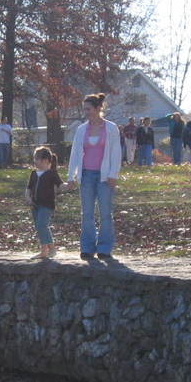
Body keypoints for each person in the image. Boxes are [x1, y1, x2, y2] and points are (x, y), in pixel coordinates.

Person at [66, 93, 122, 260]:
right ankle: (87, 247)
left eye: (89, 109)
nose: (86, 112)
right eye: (84, 109)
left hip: (105, 177)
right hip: (87, 176)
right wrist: (71, 176)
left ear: (98, 108)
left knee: (105, 213)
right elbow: (75, 153)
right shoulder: (82, 129)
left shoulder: (111, 128)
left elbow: (116, 153)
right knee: (87, 214)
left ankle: (104, 248)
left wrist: (113, 174)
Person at [25, 146, 65, 259]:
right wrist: (27, 197)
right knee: (39, 226)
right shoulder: (33, 173)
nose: (35, 161)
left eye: (37, 159)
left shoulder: (52, 173)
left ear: (46, 160)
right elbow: (29, 188)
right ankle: (51, 248)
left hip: (47, 205)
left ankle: (44, 251)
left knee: (42, 225)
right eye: (34, 158)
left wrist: (69, 185)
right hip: (35, 205)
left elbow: (61, 185)